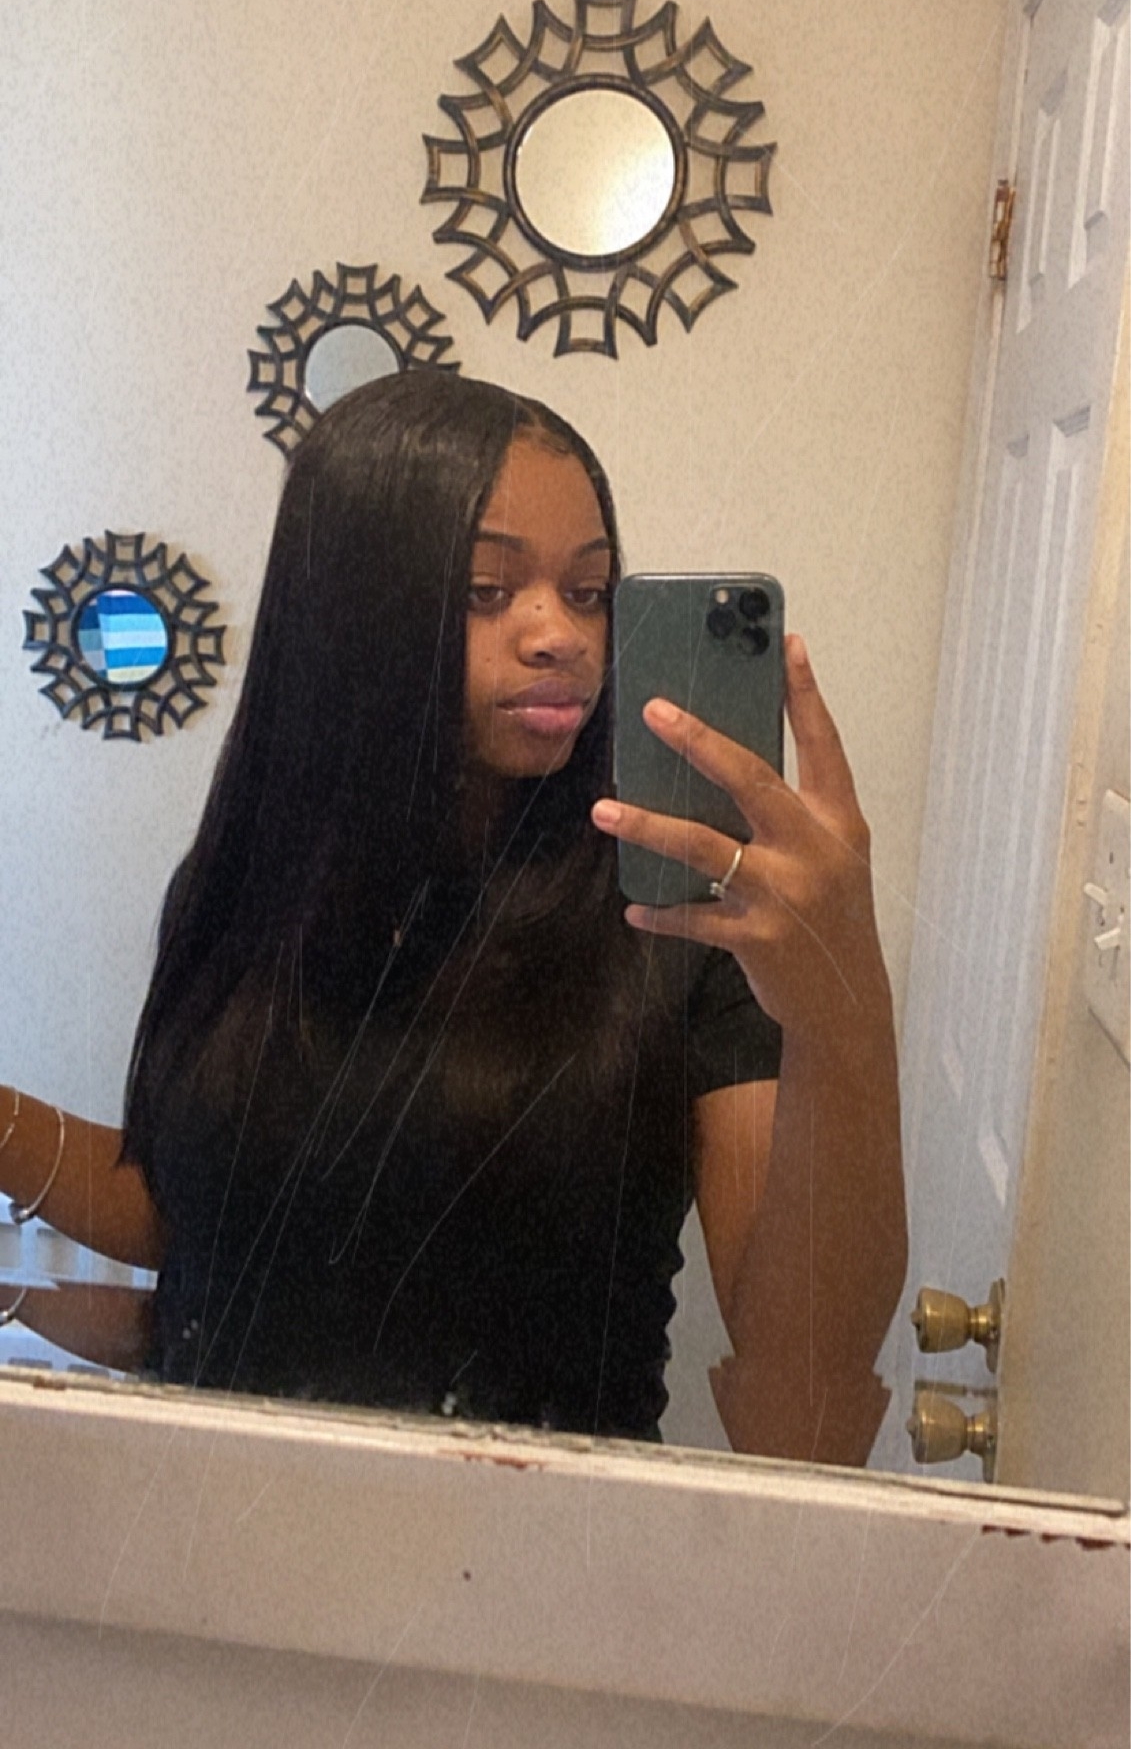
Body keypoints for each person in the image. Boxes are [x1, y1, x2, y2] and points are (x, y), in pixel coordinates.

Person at [0, 372, 907, 1462]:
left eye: (588, 591)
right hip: (223, 1529)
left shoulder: (674, 920)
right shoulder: (246, 881)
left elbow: (800, 1416)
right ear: (350, 612)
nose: (560, 634)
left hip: (528, 1556)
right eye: (486, 591)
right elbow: (200, 1211)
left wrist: (841, 1018)